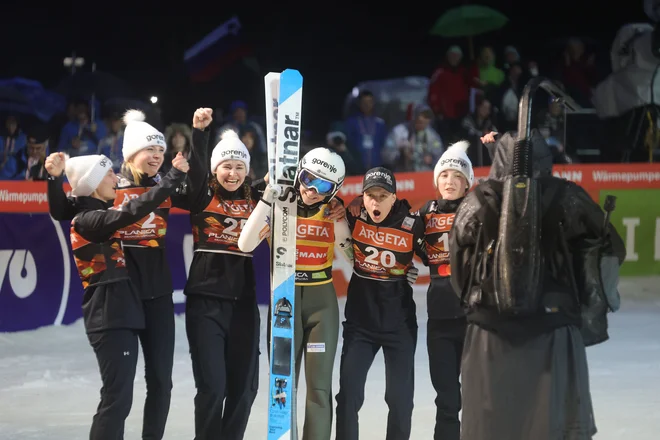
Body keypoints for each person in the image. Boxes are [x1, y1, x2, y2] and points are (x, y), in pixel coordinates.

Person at [449, 131, 626, 440]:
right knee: (554, 425)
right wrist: (592, 302)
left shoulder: (478, 199)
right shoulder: (569, 196)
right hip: (555, 329)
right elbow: (609, 249)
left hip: (490, 332)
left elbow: (459, 270)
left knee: (491, 427)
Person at [45, 109, 187, 439]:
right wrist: (52, 178)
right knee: (118, 395)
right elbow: (67, 210)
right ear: (130, 153)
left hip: (146, 297)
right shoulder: (101, 197)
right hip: (116, 302)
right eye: (149, 149)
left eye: (160, 150)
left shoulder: (142, 190)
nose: (156, 156)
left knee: (153, 385)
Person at [238, 147, 352, 440]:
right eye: (307, 178)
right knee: (282, 386)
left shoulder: (332, 212)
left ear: (334, 189)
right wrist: (267, 198)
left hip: (321, 306)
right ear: (298, 172)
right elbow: (246, 244)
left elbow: (355, 260)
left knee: (319, 389)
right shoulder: (279, 205)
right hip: (284, 304)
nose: (312, 190)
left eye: (323, 185)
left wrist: (345, 218)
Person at [182, 107, 263, 439]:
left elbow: (285, 192)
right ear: (216, 170)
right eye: (226, 167)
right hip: (205, 304)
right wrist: (199, 134)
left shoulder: (256, 198)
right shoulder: (202, 195)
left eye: (239, 167)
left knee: (245, 389)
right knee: (213, 389)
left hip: (244, 304)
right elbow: (196, 171)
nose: (233, 173)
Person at [335, 167, 425, 440]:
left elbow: (440, 257)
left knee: (400, 401)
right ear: (362, 197)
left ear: (394, 197)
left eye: (382, 196)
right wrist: (344, 202)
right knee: (348, 397)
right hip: (360, 326)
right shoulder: (353, 217)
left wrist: (408, 269)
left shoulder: (412, 224)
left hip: (400, 327)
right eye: (370, 195)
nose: (376, 202)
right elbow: (325, 198)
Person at [416, 140, 473, 440]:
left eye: (457, 176)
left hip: (474, 319)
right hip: (439, 320)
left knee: (478, 397)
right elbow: (402, 233)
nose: (449, 181)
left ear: (468, 184)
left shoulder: (478, 208)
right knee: (447, 400)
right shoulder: (427, 212)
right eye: (444, 175)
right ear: (437, 180)